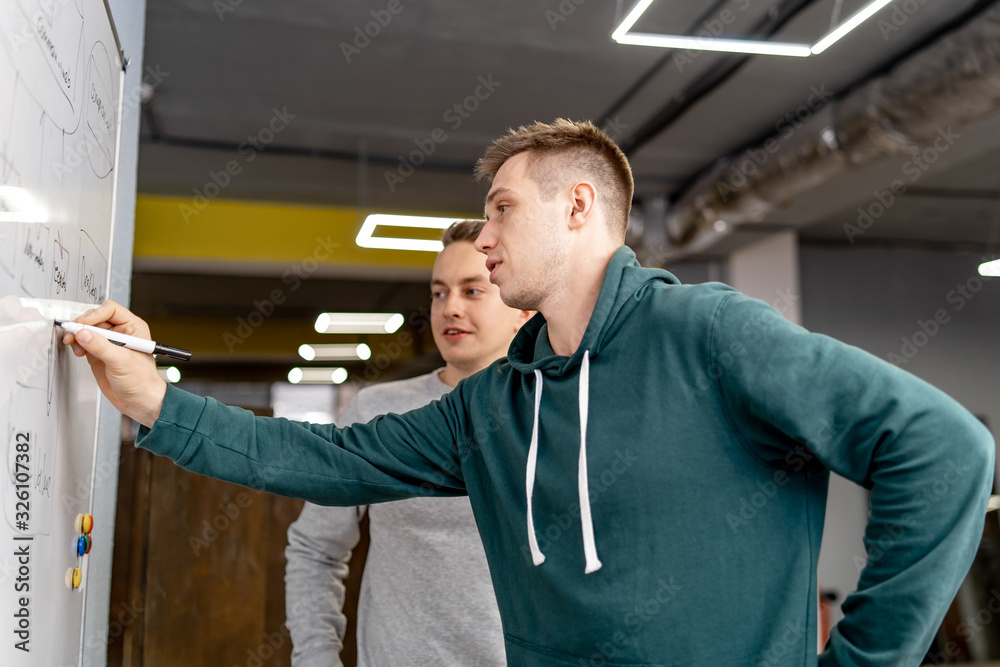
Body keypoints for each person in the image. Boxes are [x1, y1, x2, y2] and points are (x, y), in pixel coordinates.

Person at [64, 119, 994, 666]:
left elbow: (945, 451)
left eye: (504, 207)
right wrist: (154, 399)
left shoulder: (709, 335)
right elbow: (326, 457)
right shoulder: (493, 405)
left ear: (579, 207)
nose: (486, 235)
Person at [285, 220, 529, 667]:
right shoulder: (377, 411)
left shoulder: (551, 414)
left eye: (472, 291)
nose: (449, 307)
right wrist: (316, 657)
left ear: (523, 309)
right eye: (439, 293)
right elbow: (314, 548)